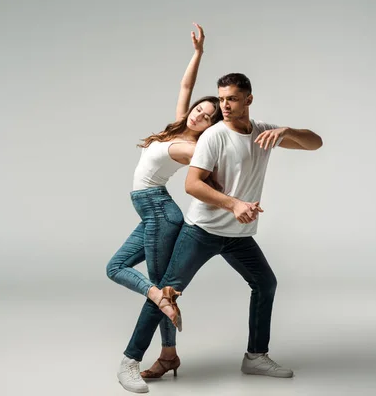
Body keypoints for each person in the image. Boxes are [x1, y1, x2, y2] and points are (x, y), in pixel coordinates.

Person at [118, 72, 323, 393]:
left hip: (238, 236)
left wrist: (288, 131)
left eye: (232, 99)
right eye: (222, 98)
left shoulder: (264, 132)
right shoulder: (212, 137)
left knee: (265, 284)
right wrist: (234, 204)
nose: (225, 105)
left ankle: (256, 356)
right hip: (201, 232)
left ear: (248, 100)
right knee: (167, 292)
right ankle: (130, 361)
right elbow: (192, 184)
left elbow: (315, 143)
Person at [106, 23, 223, 393]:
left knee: (160, 288)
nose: (198, 115)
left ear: (211, 128)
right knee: (117, 267)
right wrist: (199, 53)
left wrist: (229, 198)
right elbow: (185, 88)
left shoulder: (195, 147)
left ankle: (136, 358)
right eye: (198, 110)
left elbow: (212, 177)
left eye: (207, 117)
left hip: (159, 212)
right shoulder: (178, 129)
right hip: (154, 212)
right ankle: (169, 353)